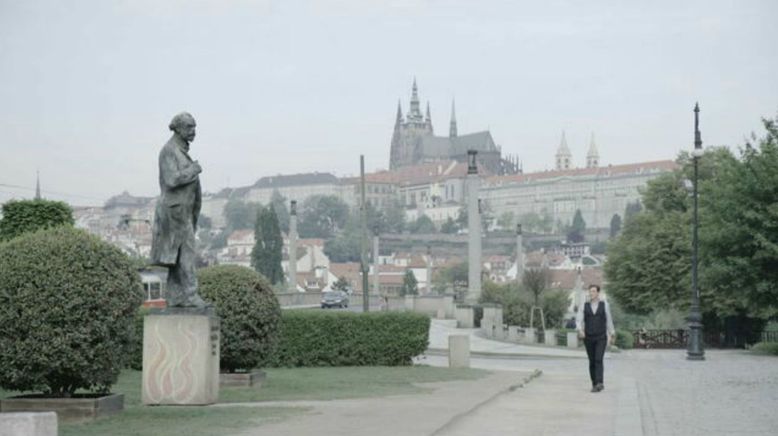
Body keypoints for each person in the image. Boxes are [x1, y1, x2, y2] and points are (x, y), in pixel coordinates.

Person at [150, 112, 208, 308]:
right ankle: (190, 294)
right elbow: (171, 179)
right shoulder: (169, 151)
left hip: (183, 213)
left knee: (177, 256)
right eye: (189, 127)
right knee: (187, 253)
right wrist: (193, 170)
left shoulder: (181, 151)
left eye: (194, 127)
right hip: (174, 213)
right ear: (178, 128)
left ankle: (175, 297)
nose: (193, 132)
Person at [576, 284, 615, 392]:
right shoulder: (584, 305)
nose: (591, 293)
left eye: (593, 291)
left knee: (598, 359)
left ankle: (600, 382)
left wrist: (612, 333)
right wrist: (580, 330)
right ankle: (594, 383)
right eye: (590, 291)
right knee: (592, 361)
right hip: (588, 337)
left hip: (601, 337)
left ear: (598, 293)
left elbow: (609, 320)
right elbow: (579, 319)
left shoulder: (605, 305)